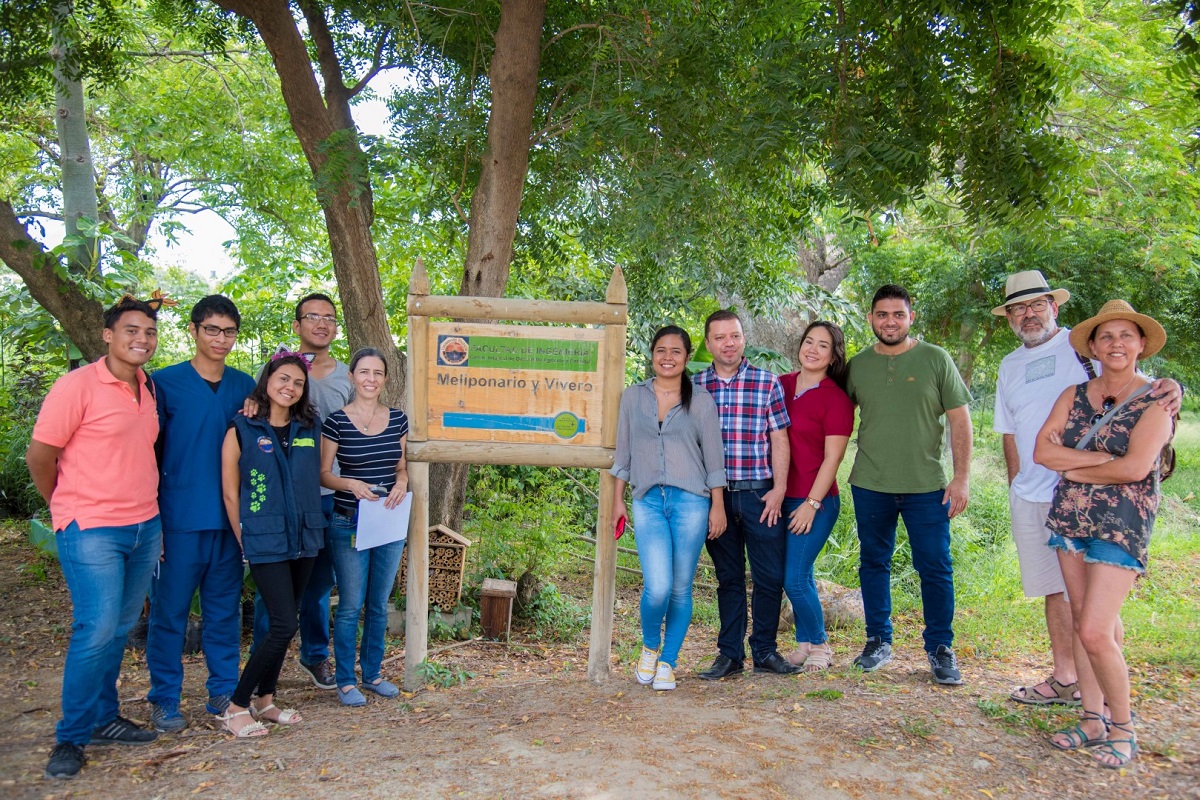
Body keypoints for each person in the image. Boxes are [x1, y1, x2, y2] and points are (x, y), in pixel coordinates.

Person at [992, 271, 1182, 707]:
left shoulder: (1085, 350)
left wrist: (1175, 387)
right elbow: (1010, 432)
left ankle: (1106, 688)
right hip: (1032, 492)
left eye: (1037, 304)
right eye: (1019, 308)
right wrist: (1015, 485)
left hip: (1097, 499)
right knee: (1053, 590)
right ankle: (1065, 678)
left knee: (1096, 605)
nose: (1029, 314)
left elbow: (1139, 385)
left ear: (1054, 307)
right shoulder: (1008, 366)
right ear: (1009, 318)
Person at [27, 296, 163, 779]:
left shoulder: (147, 388)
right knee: (96, 628)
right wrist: (64, 506)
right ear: (108, 335)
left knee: (119, 628)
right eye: (131, 330)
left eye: (148, 332)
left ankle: (105, 718)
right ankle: (72, 736)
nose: (140, 339)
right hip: (91, 528)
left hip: (145, 525)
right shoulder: (76, 386)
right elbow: (40, 456)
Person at [1034, 300, 1174, 769]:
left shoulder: (1157, 399)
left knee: (1096, 630)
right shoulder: (1074, 395)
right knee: (1082, 621)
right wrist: (1103, 465)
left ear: (1140, 345)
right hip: (1070, 520)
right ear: (1092, 346)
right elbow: (1042, 453)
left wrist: (1075, 462)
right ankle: (1092, 719)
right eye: (1107, 337)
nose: (1116, 344)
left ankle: (1124, 727)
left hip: (1121, 526)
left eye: (1126, 336)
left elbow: (1137, 468)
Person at [845, 284, 972, 685]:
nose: (890, 321)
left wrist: (962, 477)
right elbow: (831, 416)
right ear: (870, 318)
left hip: (926, 486)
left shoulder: (935, 359)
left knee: (935, 566)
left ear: (910, 318)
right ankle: (878, 640)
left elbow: (960, 420)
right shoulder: (857, 365)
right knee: (873, 563)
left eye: (898, 314)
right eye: (882, 314)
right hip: (870, 482)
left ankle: (939, 647)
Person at [145, 296, 257, 733]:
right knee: (169, 615)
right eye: (212, 329)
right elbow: (145, 454)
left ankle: (223, 692)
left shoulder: (245, 386)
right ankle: (164, 699)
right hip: (177, 518)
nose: (221, 339)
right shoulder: (164, 383)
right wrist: (151, 520)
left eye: (229, 331)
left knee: (224, 612)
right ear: (193, 330)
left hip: (230, 523)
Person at [612, 326, 727, 691]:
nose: (667, 357)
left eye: (676, 351)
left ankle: (669, 661)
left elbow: (714, 460)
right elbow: (623, 454)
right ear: (651, 354)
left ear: (688, 356)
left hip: (692, 501)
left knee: (680, 587)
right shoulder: (632, 397)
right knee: (657, 586)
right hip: (647, 500)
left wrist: (718, 506)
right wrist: (618, 500)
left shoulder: (702, 401)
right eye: (661, 350)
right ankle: (649, 647)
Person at [219, 352, 326, 737]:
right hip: (264, 539)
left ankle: (265, 701)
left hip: (305, 539)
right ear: (267, 380)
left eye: (298, 383)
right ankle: (235, 706)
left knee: (286, 622)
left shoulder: (310, 427)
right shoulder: (242, 429)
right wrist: (242, 539)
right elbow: (232, 495)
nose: (290, 387)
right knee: (282, 623)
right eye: (283, 379)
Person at [250, 293, 352, 691]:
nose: (321, 324)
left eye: (329, 318)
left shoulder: (346, 376)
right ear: (298, 325)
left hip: (327, 496)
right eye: (312, 317)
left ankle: (315, 656)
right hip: (281, 498)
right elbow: (258, 411)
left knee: (318, 586)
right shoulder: (279, 367)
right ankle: (262, 664)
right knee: (273, 588)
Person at [694, 310, 799, 679]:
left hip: (760, 496)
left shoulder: (766, 382)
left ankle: (766, 651)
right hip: (714, 500)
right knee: (729, 578)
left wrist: (779, 490)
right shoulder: (693, 387)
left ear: (743, 339)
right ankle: (729, 655)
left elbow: (779, 439)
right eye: (720, 337)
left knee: (770, 576)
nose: (728, 343)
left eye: (735, 336)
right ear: (708, 343)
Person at [319, 348, 411, 706]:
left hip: (388, 522)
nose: (370, 378)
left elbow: (400, 466)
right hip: (348, 523)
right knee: (350, 605)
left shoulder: (399, 419)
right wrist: (352, 485)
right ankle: (345, 681)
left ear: (385, 379)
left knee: (378, 604)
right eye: (363, 372)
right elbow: (324, 473)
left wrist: (402, 482)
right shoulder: (336, 421)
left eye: (377, 373)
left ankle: (372, 674)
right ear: (351, 377)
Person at [778, 321, 854, 672]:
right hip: (780, 496)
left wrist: (811, 504)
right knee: (800, 574)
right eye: (809, 341)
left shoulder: (836, 399)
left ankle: (821, 645)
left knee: (794, 577)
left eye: (822, 345)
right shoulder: (781, 385)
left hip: (816, 500)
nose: (812, 349)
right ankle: (805, 645)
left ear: (833, 355)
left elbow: (832, 459)